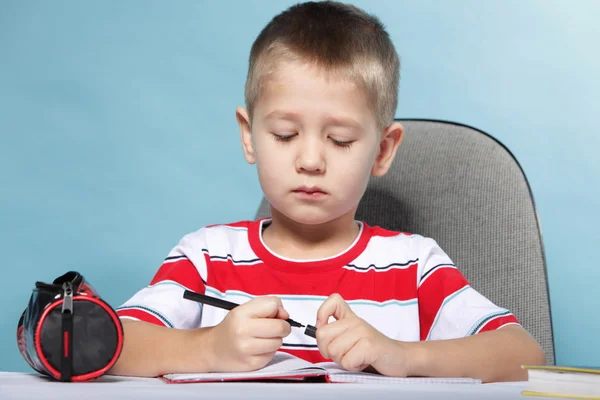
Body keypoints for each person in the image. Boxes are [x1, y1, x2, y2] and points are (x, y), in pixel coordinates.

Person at [109, 0, 545, 382]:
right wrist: (208, 349)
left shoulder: (413, 265)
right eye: (284, 134)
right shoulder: (206, 258)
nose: (311, 160)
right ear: (249, 136)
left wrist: (403, 354)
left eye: (339, 140)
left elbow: (523, 356)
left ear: (383, 150)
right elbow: (113, 343)